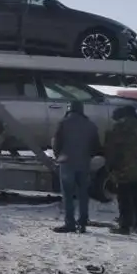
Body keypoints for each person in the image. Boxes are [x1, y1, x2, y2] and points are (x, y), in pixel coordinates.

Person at [52, 100, 102, 234]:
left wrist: (59, 156)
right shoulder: (91, 125)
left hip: (66, 163)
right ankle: (83, 222)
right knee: (83, 194)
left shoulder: (63, 123)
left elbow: (56, 142)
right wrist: (87, 157)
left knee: (68, 195)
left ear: (69, 109)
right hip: (84, 163)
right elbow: (96, 146)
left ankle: (70, 223)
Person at [105, 105, 137, 235]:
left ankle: (125, 226)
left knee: (124, 198)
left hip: (123, 168)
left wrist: (111, 166)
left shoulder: (118, 128)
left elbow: (111, 150)